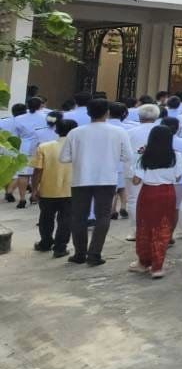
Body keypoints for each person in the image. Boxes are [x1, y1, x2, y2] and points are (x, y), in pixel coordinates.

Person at [59, 97, 133, 266]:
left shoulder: (76, 132)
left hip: (81, 178)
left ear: (88, 113)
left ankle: (79, 253)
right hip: (106, 178)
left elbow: (64, 158)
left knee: (79, 217)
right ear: (107, 113)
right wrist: (113, 158)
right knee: (103, 216)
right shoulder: (119, 132)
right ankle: (94, 254)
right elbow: (128, 156)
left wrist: (80, 158)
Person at [128, 125, 182, 279]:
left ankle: (143, 262)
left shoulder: (144, 156)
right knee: (163, 227)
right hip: (167, 193)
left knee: (144, 227)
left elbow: (135, 181)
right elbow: (178, 177)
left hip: (148, 193)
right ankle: (157, 266)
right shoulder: (176, 156)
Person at [30, 116, 76, 257]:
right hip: (71, 190)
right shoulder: (79, 148)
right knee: (66, 220)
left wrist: (34, 189)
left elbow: (37, 171)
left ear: (56, 130)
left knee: (45, 218)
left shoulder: (44, 147)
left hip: (48, 190)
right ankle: (60, 247)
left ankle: (45, 242)